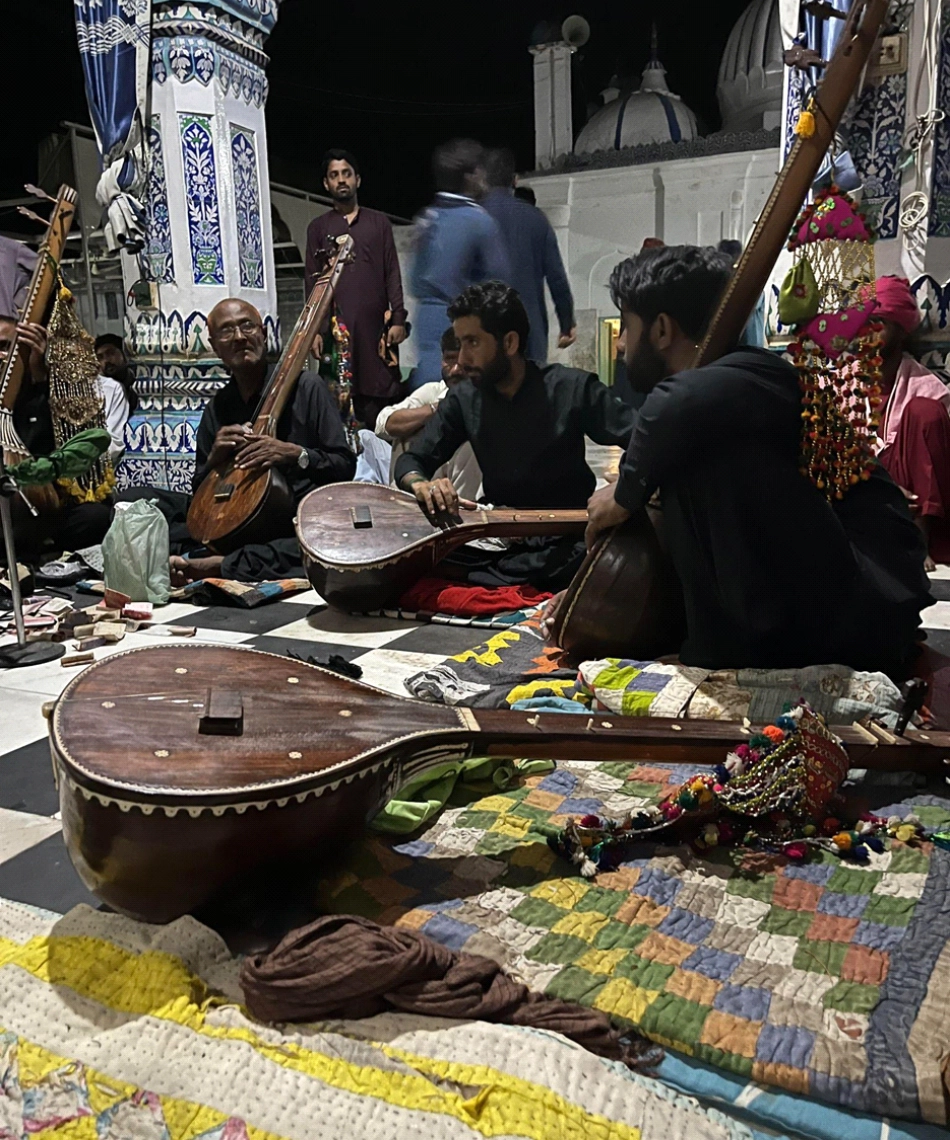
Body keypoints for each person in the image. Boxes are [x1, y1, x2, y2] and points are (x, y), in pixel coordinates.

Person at [585, 245, 931, 678]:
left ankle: (731, 650)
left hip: (867, 608)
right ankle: (717, 643)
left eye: (626, 327)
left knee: (704, 450)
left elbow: (670, 406)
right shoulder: (733, 386)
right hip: (841, 603)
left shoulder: (750, 374)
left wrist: (623, 494)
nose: (619, 344)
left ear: (661, 329)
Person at [394, 281, 634, 591]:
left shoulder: (572, 388)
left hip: (567, 541)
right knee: (412, 562)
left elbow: (643, 438)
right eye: (460, 343)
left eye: (472, 343)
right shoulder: (464, 399)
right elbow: (413, 460)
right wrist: (421, 484)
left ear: (509, 342)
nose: (462, 360)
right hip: (499, 540)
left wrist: (624, 487)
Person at [119, 299, 355, 584]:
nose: (240, 337)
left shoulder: (306, 387)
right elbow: (199, 494)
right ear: (214, 346)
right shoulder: (218, 406)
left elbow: (344, 464)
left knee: (323, 539)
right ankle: (229, 559)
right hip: (234, 520)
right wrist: (214, 459)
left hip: (292, 517)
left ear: (263, 334)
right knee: (132, 502)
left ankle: (221, 564)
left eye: (247, 326)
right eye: (227, 331)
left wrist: (295, 454)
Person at [304, 149, 407, 428]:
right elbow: (312, 282)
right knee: (336, 403)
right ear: (326, 183)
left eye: (346, 174)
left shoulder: (378, 223)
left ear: (357, 180)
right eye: (334, 175)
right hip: (335, 333)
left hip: (374, 332)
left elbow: (391, 272)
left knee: (378, 404)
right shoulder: (318, 228)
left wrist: (398, 318)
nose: (341, 180)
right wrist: (313, 331)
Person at [1, 315, 116, 554]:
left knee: (95, 516)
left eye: (5, 347)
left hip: (46, 509)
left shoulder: (44, 394)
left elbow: (59, 450)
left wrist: (40, 376)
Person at [409, 139, 509, 390]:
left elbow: (414, 280)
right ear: (470, 176)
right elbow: (499, 283)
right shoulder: (479, 222)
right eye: (480, 170)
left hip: (426, 319)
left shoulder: (426, 219)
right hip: (465, 325)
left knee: (430, 390)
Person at [873, 275, 950, 571]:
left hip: (915, 499)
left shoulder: (927, 387)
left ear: (901, 329)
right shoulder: (843, 381)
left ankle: (920, 537)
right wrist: (883, 487)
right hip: (868, 490)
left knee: (925, 412)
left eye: (878, 322)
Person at [482, 149, 575, 365]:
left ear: (483, 180)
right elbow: (556, 277)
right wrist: (566, 323)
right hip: (530, 333)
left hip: (484, 330)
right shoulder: (536, 219)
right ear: (515, 180)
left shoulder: (471, 218)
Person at [376, 327, 481, 500]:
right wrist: (439, 409)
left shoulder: (485, 400)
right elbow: (383, 425)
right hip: (414, 492)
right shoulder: (434, 391)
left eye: (462, 362)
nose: (455, 370)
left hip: (463, 500)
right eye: (449, 360)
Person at [94, 333, 139, 415]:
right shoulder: (100, 391)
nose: (106, 361)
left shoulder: (139, 382)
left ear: (124, 354)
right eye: (100, 357)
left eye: (110, 353)